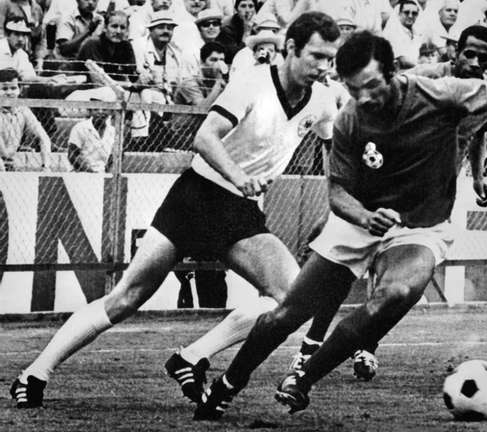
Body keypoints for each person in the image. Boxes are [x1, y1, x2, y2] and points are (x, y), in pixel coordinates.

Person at [193, 30, 487, 420]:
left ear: (392, 72)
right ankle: (227, 384)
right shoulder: (350, 120)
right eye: (355, 90)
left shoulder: (438, 94)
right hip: (358, 220)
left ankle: (302, 379)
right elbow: (337, 191)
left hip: (419, 227)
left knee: (396, 291)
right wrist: (363, 216)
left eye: (371, 86)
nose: (364, 98)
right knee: (285, 315)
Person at [9, 11, 342, 410]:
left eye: (329, 59)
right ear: (290, 49)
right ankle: (33, 374)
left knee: (291, 297)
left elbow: (331, 148)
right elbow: (204, 138)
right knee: (125, 298)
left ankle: (190, 357)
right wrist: (238, 175)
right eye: (316, 56)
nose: (323, 67)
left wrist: (339, 198)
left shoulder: (322, 99)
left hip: (239, 210)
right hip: (197, 197)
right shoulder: (251, 84)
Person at [288, 24, 487, 383]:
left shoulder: (482, 93)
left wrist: (478, 177)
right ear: (455, 51)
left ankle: (367, 346)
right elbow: (378, 103)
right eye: (469, 52)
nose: (475, 61)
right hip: (381, 186)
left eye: (484, 57)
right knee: (341, 266)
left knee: (398, 282)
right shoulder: (427, 81)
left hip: (426, 197)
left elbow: (477, 132)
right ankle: (311, 343)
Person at [0, 67, 51, 171]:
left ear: (20, 89)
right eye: (4, 89)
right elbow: (3, 152)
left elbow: (43, 137)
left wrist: (46, 166)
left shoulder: (23, 110)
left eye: (14, 88)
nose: (9, 93)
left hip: (9, 163)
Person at [67, 95, 116, 173]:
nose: (100, 112)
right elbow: (72, 156)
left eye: (104, 109)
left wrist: (107, 173)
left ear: (110, 112)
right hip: (81, 173)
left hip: (102, 173)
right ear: (90, 111)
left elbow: (113, 157)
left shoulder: (112, 131)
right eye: (96, 109)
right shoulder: (80, 128)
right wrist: (90, 172)